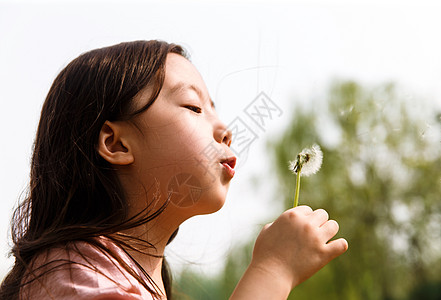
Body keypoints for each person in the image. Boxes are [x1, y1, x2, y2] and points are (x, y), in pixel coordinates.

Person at [0, 40, 348, 300]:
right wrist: (273, 270)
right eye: (194, 107)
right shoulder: (74, 276)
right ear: (117, 144)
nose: (225, 128)